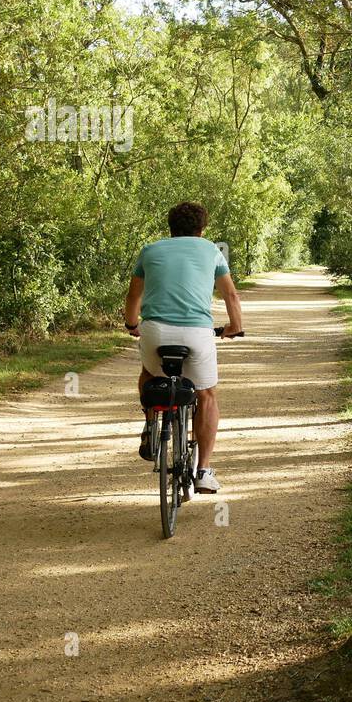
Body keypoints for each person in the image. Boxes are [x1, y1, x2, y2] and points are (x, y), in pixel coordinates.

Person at [123, 202, 243, 494]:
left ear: (170, 228)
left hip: (155, 331)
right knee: (207, 395)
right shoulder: (212, 251)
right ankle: (203, 471)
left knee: (149, 374)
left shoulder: (150, 250)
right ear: (201, 230)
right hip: (197, 333)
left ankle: (151, 428)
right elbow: (231, 294)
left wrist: (131, 325)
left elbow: (133, 295)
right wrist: (234, 327)